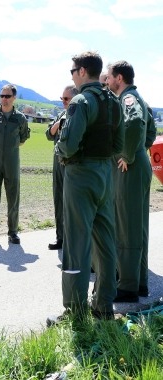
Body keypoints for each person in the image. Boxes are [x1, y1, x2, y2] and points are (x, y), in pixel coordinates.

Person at [48, 51, 124, 325]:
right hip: (106, 173)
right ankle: (104, 305)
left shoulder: (81, 101)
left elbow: (67, 144)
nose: (71, 75)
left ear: (82, 72)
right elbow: (119, 144)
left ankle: (74, 310)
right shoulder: (113, 102)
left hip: (80, 174)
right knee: (105, 241)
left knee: (76, 242)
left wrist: (61, 152)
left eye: (72, 71)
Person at [106, 60, 156, 303]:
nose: (106, 80)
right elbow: (151, 132)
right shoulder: (136, 98)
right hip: (138, 165)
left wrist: (128, 154)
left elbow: (135, 123)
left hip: (130, 167)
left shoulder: (128, 98)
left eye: (109, 76)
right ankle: (139, 282)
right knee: (137, 227)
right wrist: (138, 150)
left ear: (120, 77)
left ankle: (127, 287)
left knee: (126, 226)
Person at [0, 84, 30, 245]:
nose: (4, 99)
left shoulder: (21, 118)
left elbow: (22, 140)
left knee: (13, 198)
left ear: (14, 98)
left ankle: (13, 232)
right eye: (2, 95)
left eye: (7, 96)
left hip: (12, 163)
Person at [45, 85, 78, 250]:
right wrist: (59, 122)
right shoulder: (60, 114)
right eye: (62, 99)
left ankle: (72, 240)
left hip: (71, 164)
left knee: (71, 203)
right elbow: (48, 134)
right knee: (58, 200)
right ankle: (60, 238)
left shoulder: (78, 114)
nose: (63, 102)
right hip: (57, 163)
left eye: (66, 99)